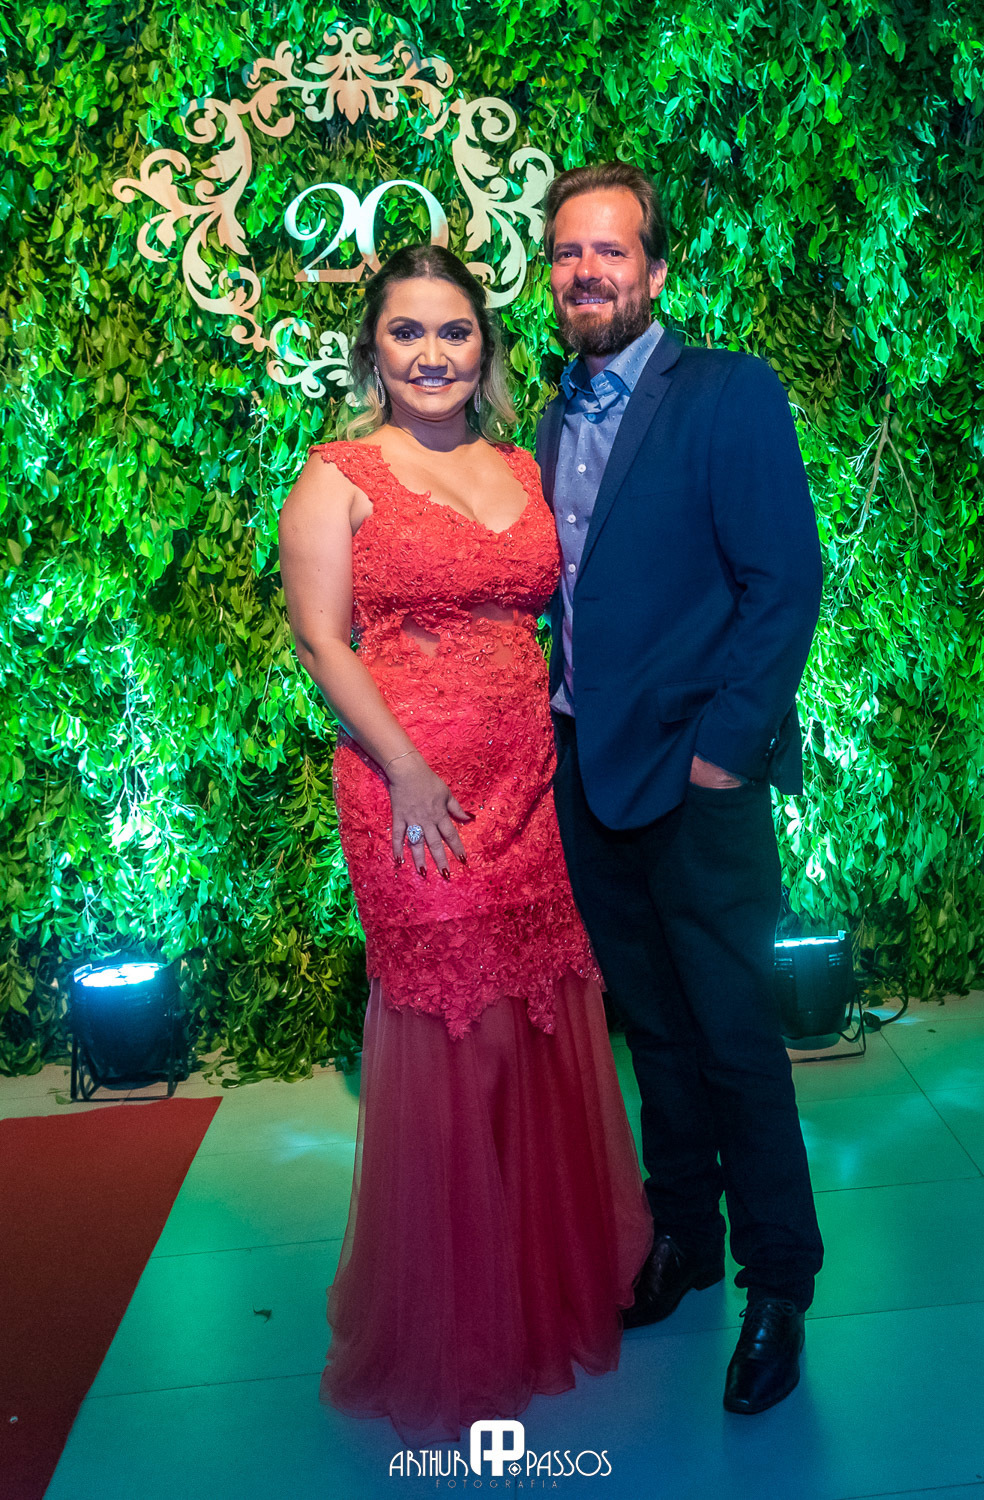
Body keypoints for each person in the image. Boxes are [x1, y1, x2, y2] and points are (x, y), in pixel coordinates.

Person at [277, 243, 653, 1442]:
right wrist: (406, 770)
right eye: (407, 332)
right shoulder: (335, 477)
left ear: (483, 347)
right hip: (412, 794)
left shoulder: (519, 464)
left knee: (539, 1022)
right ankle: (454, 1319)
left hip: (529, 787)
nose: (432, 354)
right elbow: (322, 641)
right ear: (371, 350)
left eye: (453, 331)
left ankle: (541, 1289)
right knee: (459, 1038)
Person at [536, 162, 825, 1416]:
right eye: (566, 252)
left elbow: (784, 581)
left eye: (609, 250)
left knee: (734, 1038)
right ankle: (682, 1241)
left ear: (653, 271)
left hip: (695, 781)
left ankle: (778, 1285)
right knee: (652, 1031)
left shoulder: (725, 391)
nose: (585, 271)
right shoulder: (547, 419)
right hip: (587, 775)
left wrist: (721, 753)